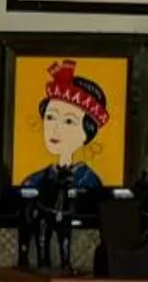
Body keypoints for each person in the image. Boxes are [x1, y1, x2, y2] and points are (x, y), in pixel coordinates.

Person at [21, 60, 111, 199]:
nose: (55, 129)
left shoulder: (89, 181)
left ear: (87, 132)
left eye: (69, 121)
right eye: (50, 117)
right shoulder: (34, 181)